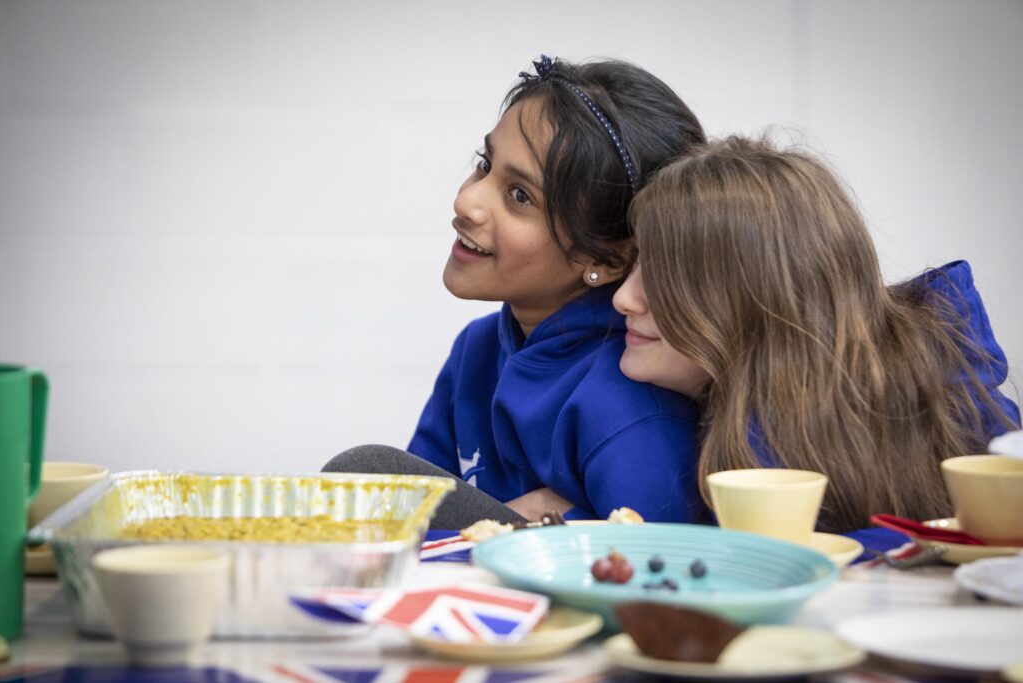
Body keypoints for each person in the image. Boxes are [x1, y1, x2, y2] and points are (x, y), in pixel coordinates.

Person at [324, 55, 708, 528]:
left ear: (607, 260)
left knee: (357, 476)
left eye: (520, 195)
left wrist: (548, 524)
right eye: (485, 165)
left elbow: (663, 577)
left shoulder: (632, 410)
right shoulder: (478, 350)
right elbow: (409, 541)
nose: (466, 200)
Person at [612, 135, 1020, 532]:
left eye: (664, 277)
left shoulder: (952, 401)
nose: (623, 299)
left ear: (754, 295)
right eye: (637, 265)